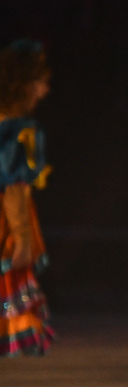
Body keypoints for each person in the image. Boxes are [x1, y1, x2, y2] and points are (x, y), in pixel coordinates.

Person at [0, 40, 55, 358]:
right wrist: (22, 238)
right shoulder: (17, 130)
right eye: (41, 83)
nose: (44, 91)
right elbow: (13, 187)